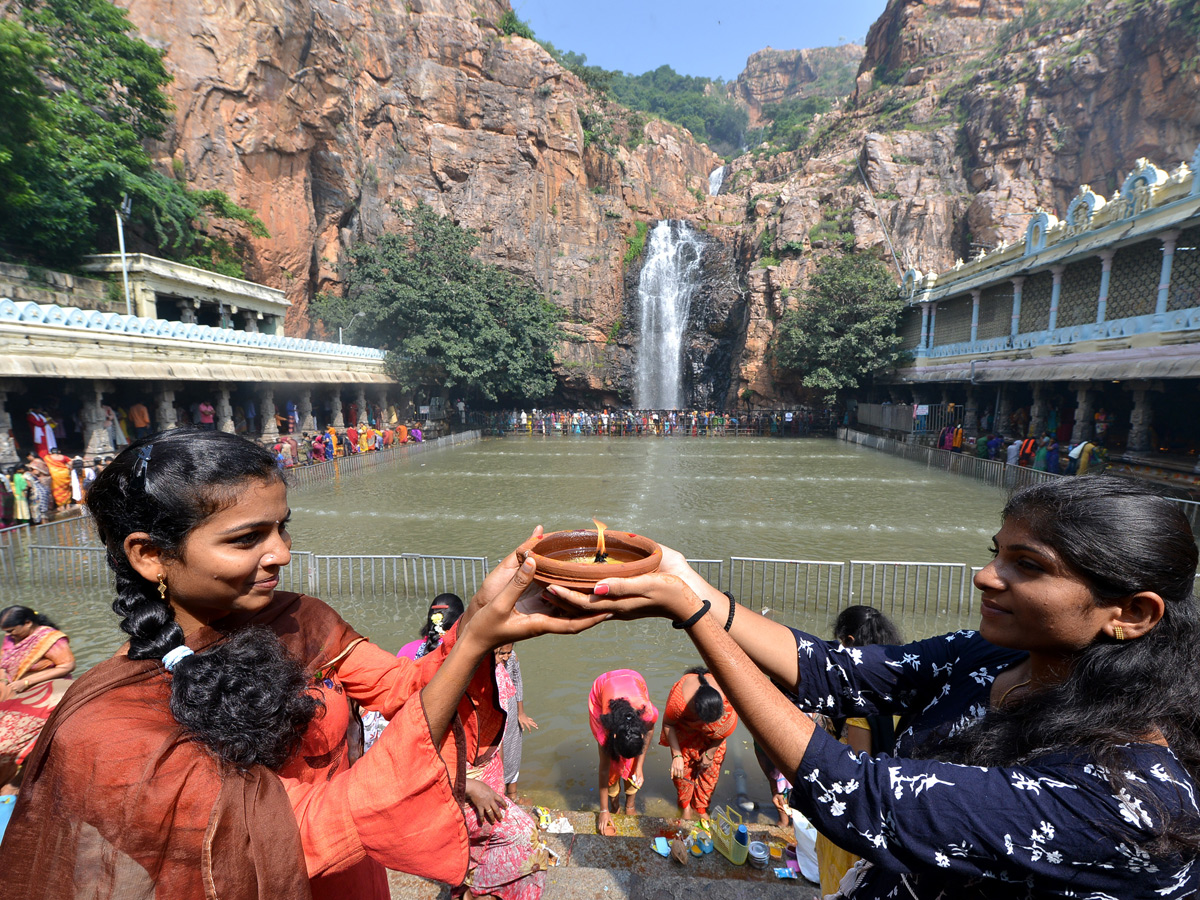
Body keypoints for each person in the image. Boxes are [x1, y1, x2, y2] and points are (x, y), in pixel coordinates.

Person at [0, 428, 603, 899]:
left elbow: (403, 687)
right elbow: (302, 829)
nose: (281, 555)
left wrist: (481, 612)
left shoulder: (300, 620)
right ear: (151, 556)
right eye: (246, 539)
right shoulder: (113, 729)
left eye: (282, 529)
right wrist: (473, 642)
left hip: (352, 878)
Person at [549, 477, 1200, 899]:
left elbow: (859, 798)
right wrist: (690, 586)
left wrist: (691, 616)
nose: (985, 576)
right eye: (997, 551)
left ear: (1133, 613)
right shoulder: (990, 658)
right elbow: (839, 672)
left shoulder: (1129, 792)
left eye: (1026, 566)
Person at [816, 606, 903, 895]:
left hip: (853, 816)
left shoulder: (859, 702)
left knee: (843, 880)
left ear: (850, 642)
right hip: (893, 805)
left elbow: (855, 769)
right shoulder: (903, 680)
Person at [0, 607, 75, 794]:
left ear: (27, 623)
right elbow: (4, 664)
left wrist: (27, 682)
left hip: (46, 687)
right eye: (6, 632)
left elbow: (67, 665)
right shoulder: (11, 638)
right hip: (14, 688)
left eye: (11, 631)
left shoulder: (50, 639)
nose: (9, 636)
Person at [660, 666, 737, 827]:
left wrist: (710, 752)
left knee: (710, 774)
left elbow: (725, 732)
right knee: (682, 772)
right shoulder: (680, 701)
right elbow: (668, 724)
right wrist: (677, 755)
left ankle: (700, 808)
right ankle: (685, 806)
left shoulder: (728, 699)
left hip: (713, 740)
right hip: (684, 735)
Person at [588, 669, 658, 836]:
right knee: (612, 766)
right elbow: (603, 769)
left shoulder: (648, 714)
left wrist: (639, 766)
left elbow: (649, 733)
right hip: (603, 687)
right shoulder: (605, 728)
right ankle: (614, 806)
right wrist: (603, 810)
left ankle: (630, 805)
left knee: (632, 766)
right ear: (613, 735)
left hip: (634, 679)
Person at [495, 643, 538, 800]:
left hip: (511, 708)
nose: (505, 657)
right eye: (502, 653)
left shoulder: (512, 658)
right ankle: (498, 793)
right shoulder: (488, 662)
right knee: (497, 753)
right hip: (495, 711)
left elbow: (517, 682)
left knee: (513, 750)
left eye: (508, 652)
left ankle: (513, 794)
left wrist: (521, 712)